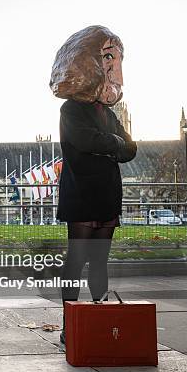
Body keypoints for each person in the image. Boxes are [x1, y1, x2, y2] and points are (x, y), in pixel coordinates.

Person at [49, 26, 137, 344]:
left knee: (100, 261)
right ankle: (68, 323)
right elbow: (85, 140)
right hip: (83, 196)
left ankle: (99, 315)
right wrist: (112, 143)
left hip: (106, 196)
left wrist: (109, 143)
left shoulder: (108, 112)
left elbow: (131, 149)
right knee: (76, 259)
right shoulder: (71, 109)